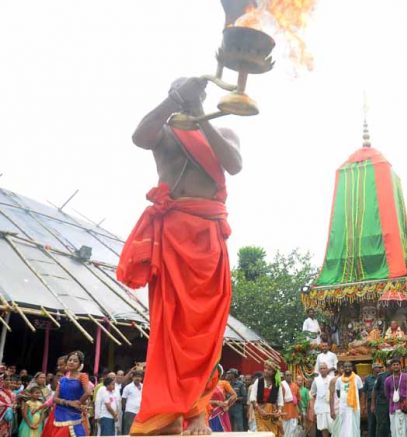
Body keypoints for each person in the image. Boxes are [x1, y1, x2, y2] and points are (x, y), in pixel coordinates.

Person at [119, 75, 242, 435]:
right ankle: (168, 416)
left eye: (198, 92)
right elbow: (139, 136)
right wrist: (173, 101)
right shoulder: (165, 131)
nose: (194, 97)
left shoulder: (221, 132)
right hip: (173, 237)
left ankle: (198, 412)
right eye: (188, 92)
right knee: (169, 328)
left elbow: (233, 164)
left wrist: (201, 111)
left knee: (207, 333)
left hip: (209, 238)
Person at [51, 351, 93, 437]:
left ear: (79, 364)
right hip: (60, 413)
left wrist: (78, 402)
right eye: (70, 360)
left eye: (75, 361)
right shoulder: (62, 379)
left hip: (74, 414)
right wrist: (69, 403)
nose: (71, 362)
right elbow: (54, 398)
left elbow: (88, 392)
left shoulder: (82, 376)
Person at [331, 362, 363, 437]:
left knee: (354, 425)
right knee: (343, 425)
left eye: (349, 366)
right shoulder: (339, 380)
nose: (347, 368)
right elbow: (338, 393)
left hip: (354, 407)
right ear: (343, 368)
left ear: (352, 368)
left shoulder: (357, 378)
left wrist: (353, 400)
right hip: (343, 407)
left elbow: (360, 392)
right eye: (345, 367)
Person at [252, 364, 284, 435]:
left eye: (269, 370)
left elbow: (280, 401)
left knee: (273, 434)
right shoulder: (258, 381)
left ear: (273, 372)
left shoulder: (277, 384)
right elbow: (252, 398)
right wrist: (260, 410)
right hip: (260, 413)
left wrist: (279, 411)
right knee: (262, 433)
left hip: (272, 414)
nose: (266, 371)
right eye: (265, 369)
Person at [383, 359, 407, 437]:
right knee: (395, 430)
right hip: (393, 407)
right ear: (391, 367)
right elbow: (387, 394)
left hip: (405, 407)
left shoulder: (406, 377)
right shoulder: (388, 380)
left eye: (397, 364)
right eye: (394, 365)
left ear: (400, 366)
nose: (396, 366)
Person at [311, 363, 334, 436]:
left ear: (327, 369)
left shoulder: (332, 379)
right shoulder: (316, 380)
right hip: (321, 407)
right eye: (321, 368)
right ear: (319, 370)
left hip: (331, 406)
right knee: (323, 427)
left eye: (324, 368)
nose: (323, 370)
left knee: (333, 426)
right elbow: (313, 393)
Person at [372, 363, 391, 437]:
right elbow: (374, 390)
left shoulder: (399, 376)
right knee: (381, 424)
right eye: (390, 365)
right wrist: (373, 405)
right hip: (382, 404)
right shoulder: (381, 376)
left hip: (393, 404)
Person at [363, 363, 382, 437]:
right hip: (370, 402)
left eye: (380, 368)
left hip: (380, 402)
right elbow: (364, 392)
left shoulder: (382, 377)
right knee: (371, 422)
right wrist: (364, 405)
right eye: (377, 368)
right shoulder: (368, 378)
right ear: (373, 369)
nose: (379, 369)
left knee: (380, 422)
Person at [282, 370, 301, 436]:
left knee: (293, 433)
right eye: (287, 375)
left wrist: (300, 411)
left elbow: (298, 400)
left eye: (290, 375)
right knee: (285, 433)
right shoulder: (281, 385)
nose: (289, 377)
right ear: (284, 376)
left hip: (294, 413)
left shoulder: (295, 386)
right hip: (284, 413)